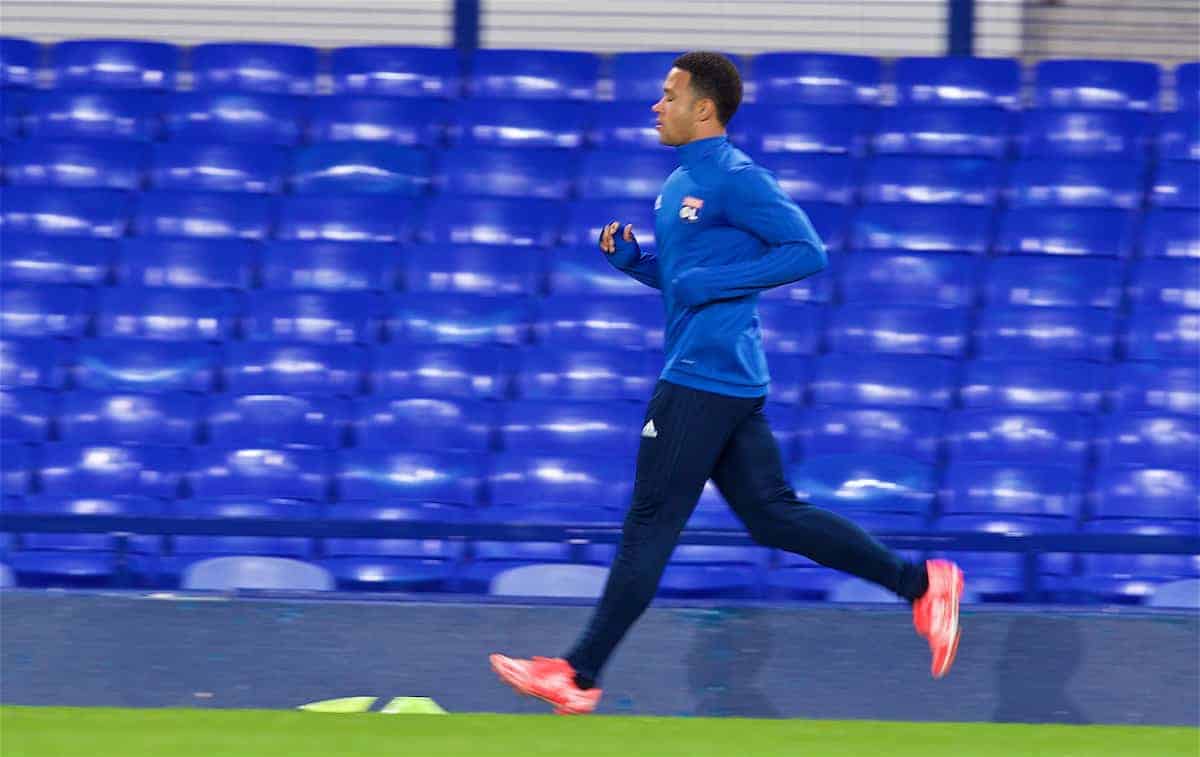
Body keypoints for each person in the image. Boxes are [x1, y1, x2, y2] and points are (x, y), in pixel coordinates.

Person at [490, 51, 963, 715]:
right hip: (725, 374)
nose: (657, 106)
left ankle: (577, 672)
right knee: (772, 516)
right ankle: (921, 584)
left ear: (702, 108)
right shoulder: (679, 182)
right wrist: (636, 265)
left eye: (668, 95)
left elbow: (805, 251)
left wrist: (713, 283)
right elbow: (686, 279)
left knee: (649, 525)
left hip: (699, 377)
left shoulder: (737, 177)